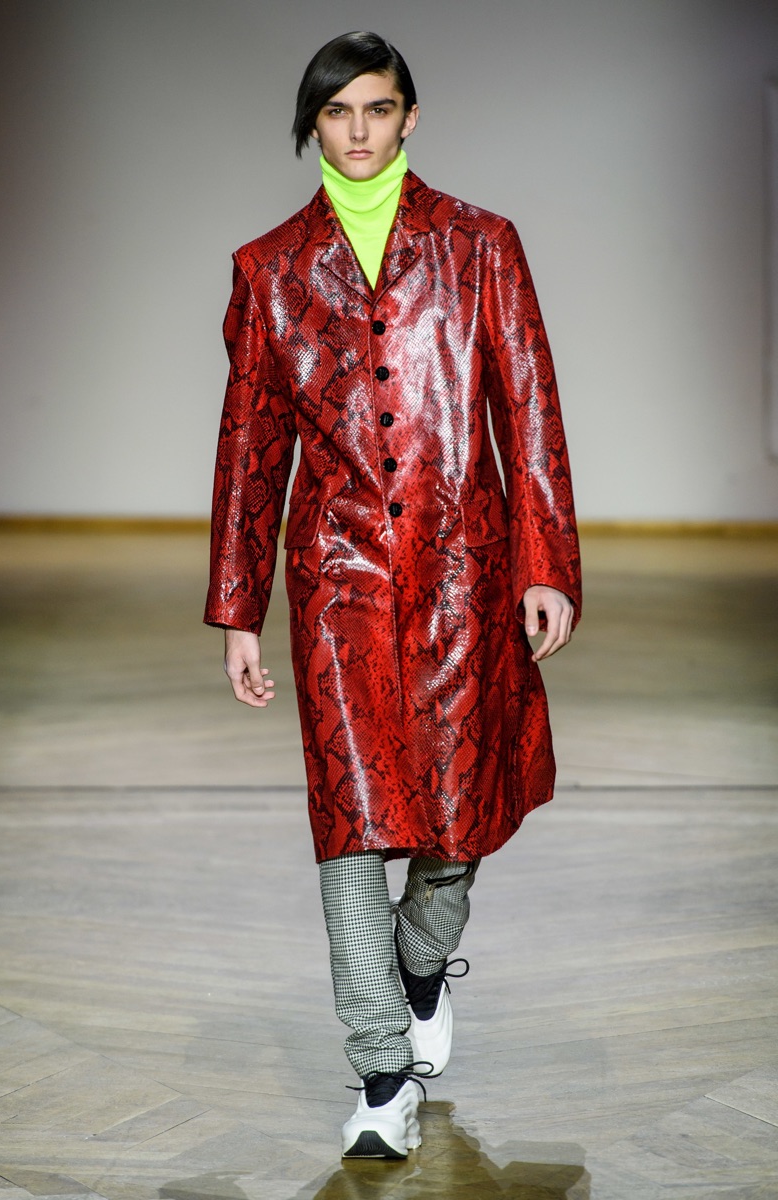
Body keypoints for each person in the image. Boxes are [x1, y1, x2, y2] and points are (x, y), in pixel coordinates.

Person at [204, 31, 581, 1160]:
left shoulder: (479, 246)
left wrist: (545, 564)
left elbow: (528, 407)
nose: (358, 130)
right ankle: (379, 1071)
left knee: (458, 814)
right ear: (312, 125)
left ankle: (421, 960)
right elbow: (249, 446)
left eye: (377, 108)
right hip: (337, 585)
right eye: (337, 112)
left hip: (466, 570)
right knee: (350, 821)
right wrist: (237, 608)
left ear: (410, 117)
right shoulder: (269, 269)